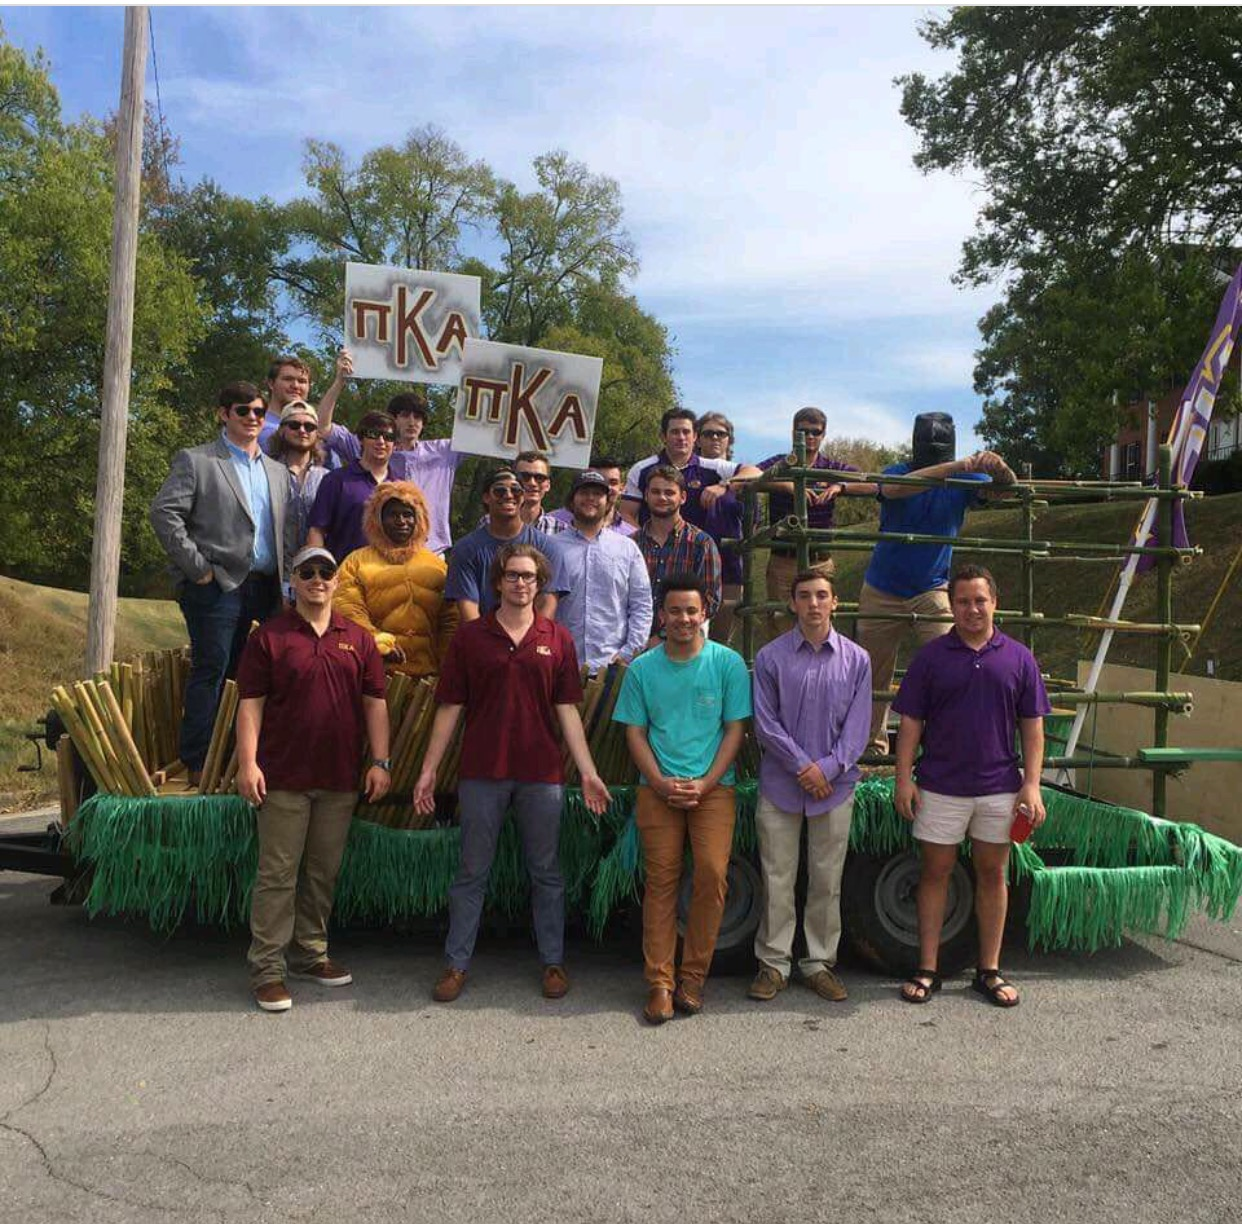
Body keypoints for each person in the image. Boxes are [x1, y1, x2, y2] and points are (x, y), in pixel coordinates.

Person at [413, 543, 610, 1002]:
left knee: (546, 871)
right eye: (513, 575)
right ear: (498, 582)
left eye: (529, 577)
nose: (521, 583)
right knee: (471, 872)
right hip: (482, 771)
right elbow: (449, 708)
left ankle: (553, 962)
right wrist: (428, 769)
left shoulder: (556, 638)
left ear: (539, 584)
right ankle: (455, 964)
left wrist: (587, 771)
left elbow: (567, 712)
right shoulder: (471, 637)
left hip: (541, 773)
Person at [235, 544, 391, 1013]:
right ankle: (267, 968)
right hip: (283, 775)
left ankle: (310, 953)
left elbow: (376, 703)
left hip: (340, 776)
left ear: (336, 582)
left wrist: (380, 762)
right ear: (294, 582)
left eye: (326, 571)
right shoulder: (270, 637)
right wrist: (248, 763)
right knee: (277, 874)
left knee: (322, 873)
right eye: (308, 572)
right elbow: (250, 704)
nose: (318, 578)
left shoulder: (358, 638)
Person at [892, 564, 1050, 1009]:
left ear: (994, 603)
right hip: (940, 785)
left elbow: (1032, 727)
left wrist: (1032, 784)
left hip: (1000, 786)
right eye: (962, 601)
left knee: (992, 874)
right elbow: (909, 724)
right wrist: (904, 779)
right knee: (935, 873)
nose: (972, 609)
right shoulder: (931, 657)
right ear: (952, 607)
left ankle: (989, 969)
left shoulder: (1019, 657)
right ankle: (927, 968)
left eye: (980, 600)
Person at [612, 574, 752, 1024]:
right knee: (661, 883)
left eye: (692, 611)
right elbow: (634, 732)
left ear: (705, 613)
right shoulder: (642, 669)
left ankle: (693, 976)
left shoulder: (727, 664)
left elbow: (735, 730)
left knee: (712, 876)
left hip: (713, 788)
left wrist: (708, 782)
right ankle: (660, 983)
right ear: (662, 615)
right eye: (675, 611)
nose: (684, 619)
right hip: (658, 787)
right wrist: (658, 781)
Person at [150, 381, 289, 786]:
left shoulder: (276, 471)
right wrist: (199, 569)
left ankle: (240, 758)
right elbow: (164, 514)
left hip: (265, 587)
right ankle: (198, 762)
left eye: (259, 412)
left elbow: (285, 531)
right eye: (242, 410)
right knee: (211, 669)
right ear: (223, 413)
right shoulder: (197, 461)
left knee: (254, 675)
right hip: (215, 585)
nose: (252, 418)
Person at [748, 566, 871, 1003]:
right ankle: (774, 963)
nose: (813, 603)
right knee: (777, 876)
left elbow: (858, 728)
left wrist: (830, 769)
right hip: (782, 784)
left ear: (835, 602)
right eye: (804, 595)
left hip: (834, 788)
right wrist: (806, 767)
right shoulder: (770, 658)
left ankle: (819, 962)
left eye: (822, 595)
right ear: (793, 603)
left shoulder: (857, 659)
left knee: (826, 879)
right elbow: (766, 723)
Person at [858, 413, 1015, 753]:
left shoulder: (966, 477)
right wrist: (955, 467)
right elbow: (895, 490)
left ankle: (948, 741)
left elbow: (1004, 490)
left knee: (956, 660)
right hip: (882, 587)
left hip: (931, 588)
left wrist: (999, 467)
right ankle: (872, 744)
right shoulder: (898, 472)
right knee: (873, 670)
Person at [317, 365, 464, 556]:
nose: (412, 422)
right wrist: (340, 381)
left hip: (431, 553)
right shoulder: (371, 447)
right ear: (392, 419)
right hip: (380, 555)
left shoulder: (444, 451)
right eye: (405, 415)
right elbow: (322, 426)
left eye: (418, 417)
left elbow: (481, 435)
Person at [333, 481, 458, 678]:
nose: (401, 521)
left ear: (419, 519)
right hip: (374, 673)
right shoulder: (355, 562)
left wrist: (448, 667)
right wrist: (378, 642)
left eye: (408, 514)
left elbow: (451, 620)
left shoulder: (437, 567)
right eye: (393, 515)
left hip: (427, 677)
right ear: (378, 519)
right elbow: (347, 610)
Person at [753, 407, 864, 618]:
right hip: (782, 561)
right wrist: (789, 486)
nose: (810, 437)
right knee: (781, 624)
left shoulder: (830, 467)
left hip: (819, 561)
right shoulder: (781, 463)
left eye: (816, 432)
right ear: (793, 432)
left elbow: (871, 484)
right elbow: (748, 475)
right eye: (803, 431)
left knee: (820, 623)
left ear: (823, 434)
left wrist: (841, 485)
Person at [554, 470, 653, 670]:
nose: (591, 498)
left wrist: (628, 653)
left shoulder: (627, 548)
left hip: (613, 667)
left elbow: (642, 605)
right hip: (561, 665)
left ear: (608, 502)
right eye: (584, 492)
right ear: (571, 500)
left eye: (598, 494)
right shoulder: (550, 548)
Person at [445, 468, 568, 621]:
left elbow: (546, 604)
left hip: (532, 640)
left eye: (516, 490)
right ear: (486, 497)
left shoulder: (548, 547)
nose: (509, 495)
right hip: (481, 640)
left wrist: (528, 642)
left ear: (523, 496)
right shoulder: (465, 549)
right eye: (499, 491)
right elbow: (468, 608)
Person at [634, 466, 722, 637]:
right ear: (646, 496)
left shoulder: (701, 543)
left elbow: (710, 601)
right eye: (655, 492)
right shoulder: (631, 544)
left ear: (682, 497)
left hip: (683, 640)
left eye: (669, 492)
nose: (662, 497)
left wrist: (664, 636)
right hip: (634, 642)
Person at [694, 411, 758, 643]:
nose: (714, 438)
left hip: (729, 570)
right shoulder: (689, 470)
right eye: (708, 433)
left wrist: (725, 486)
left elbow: (754, 525)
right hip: (691, 569)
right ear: (697, 439)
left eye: (721, 434)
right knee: (690, 639)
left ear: (729, 439)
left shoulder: (742, 477)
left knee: (720, 643)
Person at [306, 410, 400, 563]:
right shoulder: (336, 480)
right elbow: (316, 531)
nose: (381, 441)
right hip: (343, 577)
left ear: (395, 445)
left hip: (387, 579)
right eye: (374, 434)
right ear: (360, 439)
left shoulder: (401, 488)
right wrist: (321, 572)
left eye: (388, 437)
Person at [618, 407, 731, 529]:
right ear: (663, 436)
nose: (681, 437)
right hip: (649, 546)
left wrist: (724, 485)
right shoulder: (641, 470)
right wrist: (643, 542)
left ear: (695, 437)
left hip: (701, 546)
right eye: (675, 432)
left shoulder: (714, 467)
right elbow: (626, 514)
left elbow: (752, 472)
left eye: (686, 432)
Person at [267, 399, 329, 567]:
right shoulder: (265, 473)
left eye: (309, 427)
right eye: (294, 425)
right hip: (272, 574)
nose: (302, 431)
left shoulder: (328, 479)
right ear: (281, 430)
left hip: (315, 575)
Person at [259, 354, 349, 459]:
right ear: (271, 383)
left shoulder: (319, 430)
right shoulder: (254, 424)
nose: (295, 386)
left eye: (302, 381)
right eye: (288, 379)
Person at [549, 455, 636, 536]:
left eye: (613, 482)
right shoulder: (553, 522)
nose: (607, 487)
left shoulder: (631, 535)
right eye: (599, 483)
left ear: (622, 488)